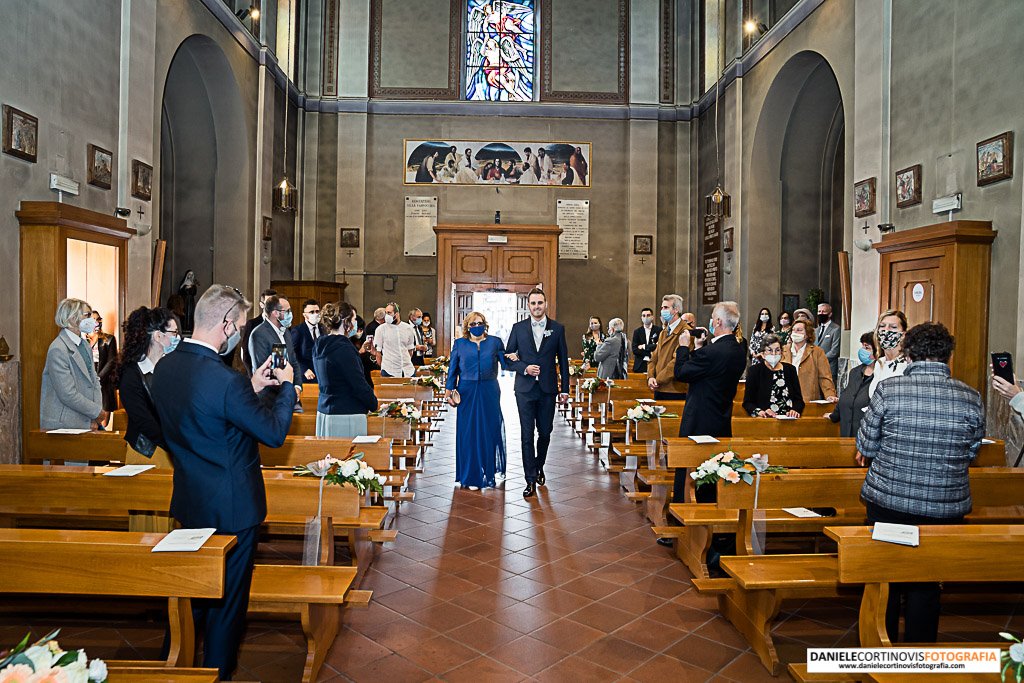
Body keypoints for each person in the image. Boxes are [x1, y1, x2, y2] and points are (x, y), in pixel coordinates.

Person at [152, 284, 295, 680]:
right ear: (227, 323)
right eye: (239, 325)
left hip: (190, 500)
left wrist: (251, 389)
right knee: (227, 605)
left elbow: (201, 415)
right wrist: (287, 387)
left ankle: (172, 669)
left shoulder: (166, 367)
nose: (238, 333)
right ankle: (218, 674)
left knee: (190, 598)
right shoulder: (225, 379)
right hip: (233, 508)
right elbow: (272, 434)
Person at [856, 322, 984, 644]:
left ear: (909, 352)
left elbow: (867, 446)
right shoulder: (970, 397)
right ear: (948, 355)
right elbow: (971, 451)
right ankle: (919, 659)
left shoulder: (890, 390)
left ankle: (880, 654)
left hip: (889, 502)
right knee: (926, 584)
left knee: (886, 578)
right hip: (944, 507)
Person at [667, 301, 748, 561]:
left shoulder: (713, 353)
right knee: (712, 474)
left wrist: (683, 347)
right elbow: (707, 373)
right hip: (721, 419)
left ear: (718, 323)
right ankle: (712, 533)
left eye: (713, 317)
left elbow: (682, 373)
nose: (711, 321)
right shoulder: (737, 350)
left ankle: (686, 530)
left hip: (699, 420)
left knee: (690, 472)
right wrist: (700, 347)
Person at [114, 306, 180, 532]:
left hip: (171, 450)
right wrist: (174, 442)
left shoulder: (171, 367)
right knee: (147, 518)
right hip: (146, 451)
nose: (177, 338)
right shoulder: (132, 372)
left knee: (171, 513)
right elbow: (142, 420)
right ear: (158, 336)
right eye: (173, 333)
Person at [504, 288, 569, 499]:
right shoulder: (518, 328)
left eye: (540, 303)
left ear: (545, 304)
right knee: (526, 435)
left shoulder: (557, 329)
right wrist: (524, 367)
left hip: (548, 389)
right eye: (533, 303)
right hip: (524, 389)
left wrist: (565, 389)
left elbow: (564, 362)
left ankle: (539, 465)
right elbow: (506, 359)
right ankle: (530, 479)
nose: (536, 307)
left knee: (545, 432)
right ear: (528, 305)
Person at [444, 311, 508, 490]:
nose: (476, 326)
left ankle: (488, 471)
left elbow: (505, 363)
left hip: (489, 390)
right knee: (468, 432)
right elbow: (453, 370)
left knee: (489, 429)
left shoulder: (495, 342)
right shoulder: (460, 344)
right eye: (472, 324)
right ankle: (470, 475)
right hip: (467, 391)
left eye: (479, 323)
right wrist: (449, 391)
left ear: (485, 324)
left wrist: (516, 358)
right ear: (467, 327)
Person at [40, 298, 106, 431]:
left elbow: (94, 380)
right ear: (71, 319)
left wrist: (96, 412)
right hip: (65, 424)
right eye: (87, 315)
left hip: (86, 420)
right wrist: (95, 412)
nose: (92, 320)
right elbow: (67, 394)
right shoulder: (58, 349)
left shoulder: (84, 345)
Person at [314, 302, 378, 437]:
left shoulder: (320, 344)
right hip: (346, 411)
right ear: (345, 322)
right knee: (347, 455)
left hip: (325, 409)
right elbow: (357, 383)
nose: (356, 323)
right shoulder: (344, 348)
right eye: (354, 319)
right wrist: (373, 403)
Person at [248, 295, 303, 407]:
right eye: (288, 311)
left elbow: (293, 362)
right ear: (275, 313)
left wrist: (297, 386)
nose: (291, 314)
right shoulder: (260, 334)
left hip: (286, 396)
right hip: (269, 400)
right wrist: (288, 389)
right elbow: (267, 370)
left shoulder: (286, 332)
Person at [825, 332, 877, 437]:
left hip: (866, 434)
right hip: (847, 430)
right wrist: (834, 415)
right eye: (862, 346)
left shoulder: (881, 374)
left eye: (867, 348)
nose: (862, 351)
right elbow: (846, 396)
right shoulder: (855, 372)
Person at [742, 334, 804, 418]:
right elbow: (748, 402)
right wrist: (760, 411)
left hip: (788, 419)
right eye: (770, 350)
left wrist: (795, 410)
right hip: (765, 420)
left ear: (781, 352)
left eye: (777, 350)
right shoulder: (755, 371)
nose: (774, 354)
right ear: (763, 353)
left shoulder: (790, 370)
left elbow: (798, 400)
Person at [781, 319, 837, 402]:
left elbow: (825, 377)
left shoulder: (817, 352)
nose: (795, 333)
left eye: (799, 330)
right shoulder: (782, 350)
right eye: (793, 330)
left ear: (807, 334)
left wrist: (830, 395)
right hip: (785, 398)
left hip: (807, 400)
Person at [647, 296, 689, 400]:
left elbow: (677, 361)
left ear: (676, 310)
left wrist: (658, 379)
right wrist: (651, 376)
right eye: (662, 308)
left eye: (666, 308)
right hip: (659, 387)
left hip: (674, 389)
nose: (662, 311)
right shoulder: (664, 332)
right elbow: (654, 357)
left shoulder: (686, 332)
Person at [869, 309, 909, 398]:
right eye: (882, 326)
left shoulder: (907, 364)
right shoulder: (879, 363)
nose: (886, 330)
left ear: (903, 335)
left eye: (893, 327)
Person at [374, 302, 417, 377]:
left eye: (389, 313)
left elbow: (410, 350)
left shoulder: (408, 328)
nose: (386, 316)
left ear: (396, 314)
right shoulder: (381, 329)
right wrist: (383, 367)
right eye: (386, 313)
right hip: (389, 370)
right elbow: (378, 352)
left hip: (407, 370)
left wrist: (404, 361)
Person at [89, 312, 119, 417]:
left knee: (102, 420)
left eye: (98, 319)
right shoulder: (83, 341)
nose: (96, 322)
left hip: (104, 382)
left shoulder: (109, 339)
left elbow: (112, 361)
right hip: (88, 383)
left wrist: (98, 378)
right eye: (93, 320)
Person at [241, 288, 277, 374]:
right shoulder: (252, 324)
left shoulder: (281, 324)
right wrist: (252, 375)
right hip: (256, 372)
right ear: (261, 305)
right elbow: (245, 353)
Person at [290, 299, 323, 382]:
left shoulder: (324, 328)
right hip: (306, 376)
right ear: (305, 315)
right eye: (312, 312)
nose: (315, 314)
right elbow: (292, 353)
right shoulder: (298, 330)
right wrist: (304, 369)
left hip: (323, 374)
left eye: (317, 311)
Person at [816, 301, 841, 381]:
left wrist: (820, 360)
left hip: (829, 368)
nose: (821, 313)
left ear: (830, 314)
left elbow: (834, 351)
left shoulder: (836, 329)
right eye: (819, 311)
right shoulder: (816, 330)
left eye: (823, 311)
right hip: (815, 369)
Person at [631, 308, 661, 374]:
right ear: (641, 318)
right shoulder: (637, 331)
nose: (646, 317)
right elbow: (635, 350)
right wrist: (650, 353)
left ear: (652, 317)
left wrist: (644, 346)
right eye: (644, 316)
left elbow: (659, 347)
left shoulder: (659, 330)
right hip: (640, 365)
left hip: (654, 364)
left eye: (648, 315)